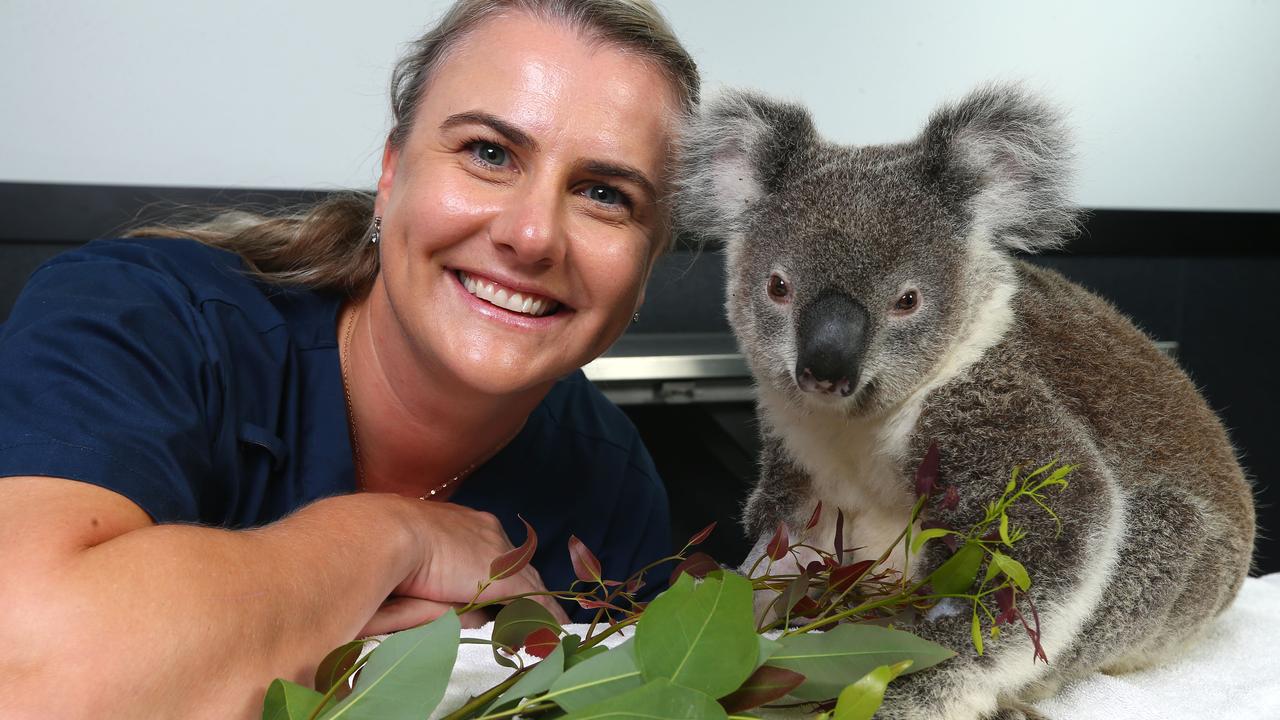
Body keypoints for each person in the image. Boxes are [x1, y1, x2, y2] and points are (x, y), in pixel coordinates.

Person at [0, 1, 699, 717]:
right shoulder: (137, 318)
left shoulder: (609, 481)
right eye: (490, 153)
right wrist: (396, 536)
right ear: (392, 174)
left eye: (605, 195)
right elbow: (28, 674)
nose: (532, 235)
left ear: (647, 262)